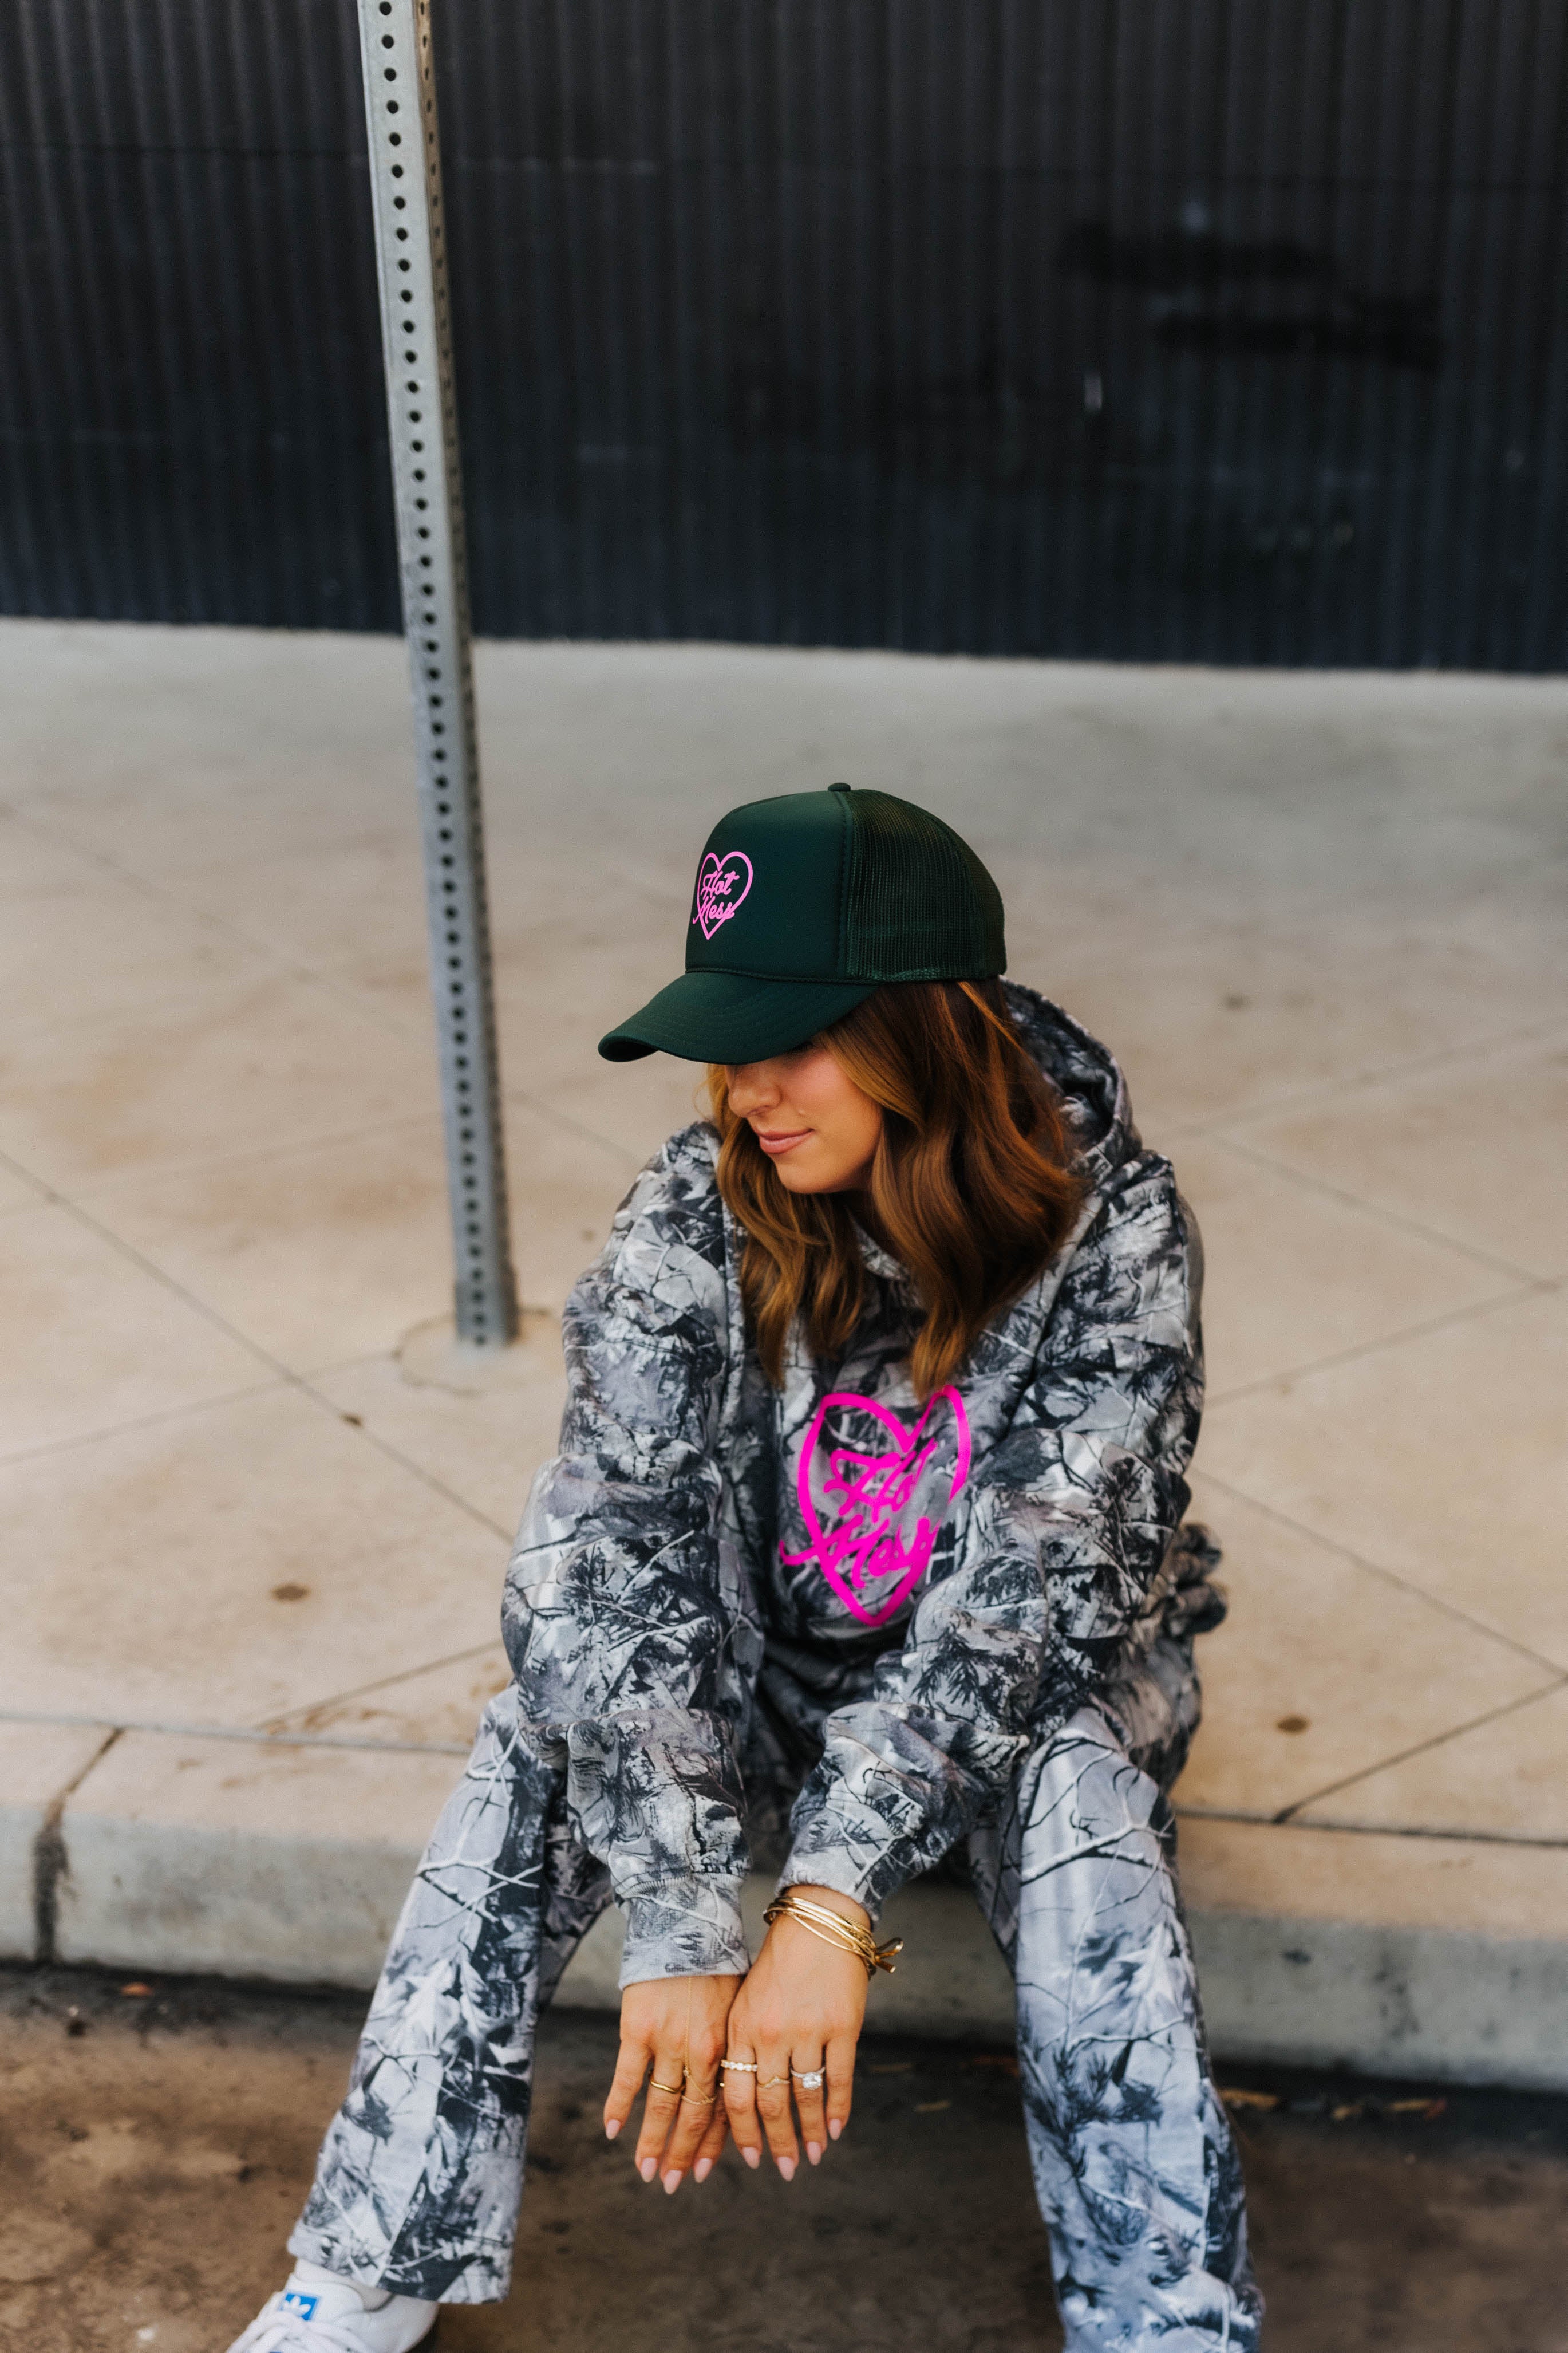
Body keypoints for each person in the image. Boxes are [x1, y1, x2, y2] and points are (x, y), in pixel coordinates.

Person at [229, 783, 1262, 2353]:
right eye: (728, 1038)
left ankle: (1164, 2322)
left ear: (923, 1030)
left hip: (1020, 1695)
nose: (746, 1088)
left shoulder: (1109, 1222)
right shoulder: (691, 1208)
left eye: (792, 1039)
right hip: (763, 1675)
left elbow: (1043, 1593)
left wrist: (829, 1900)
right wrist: (687, 1911)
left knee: (1079, 1803)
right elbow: (608, 1554)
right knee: (527, 1745)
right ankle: (372, 2265)